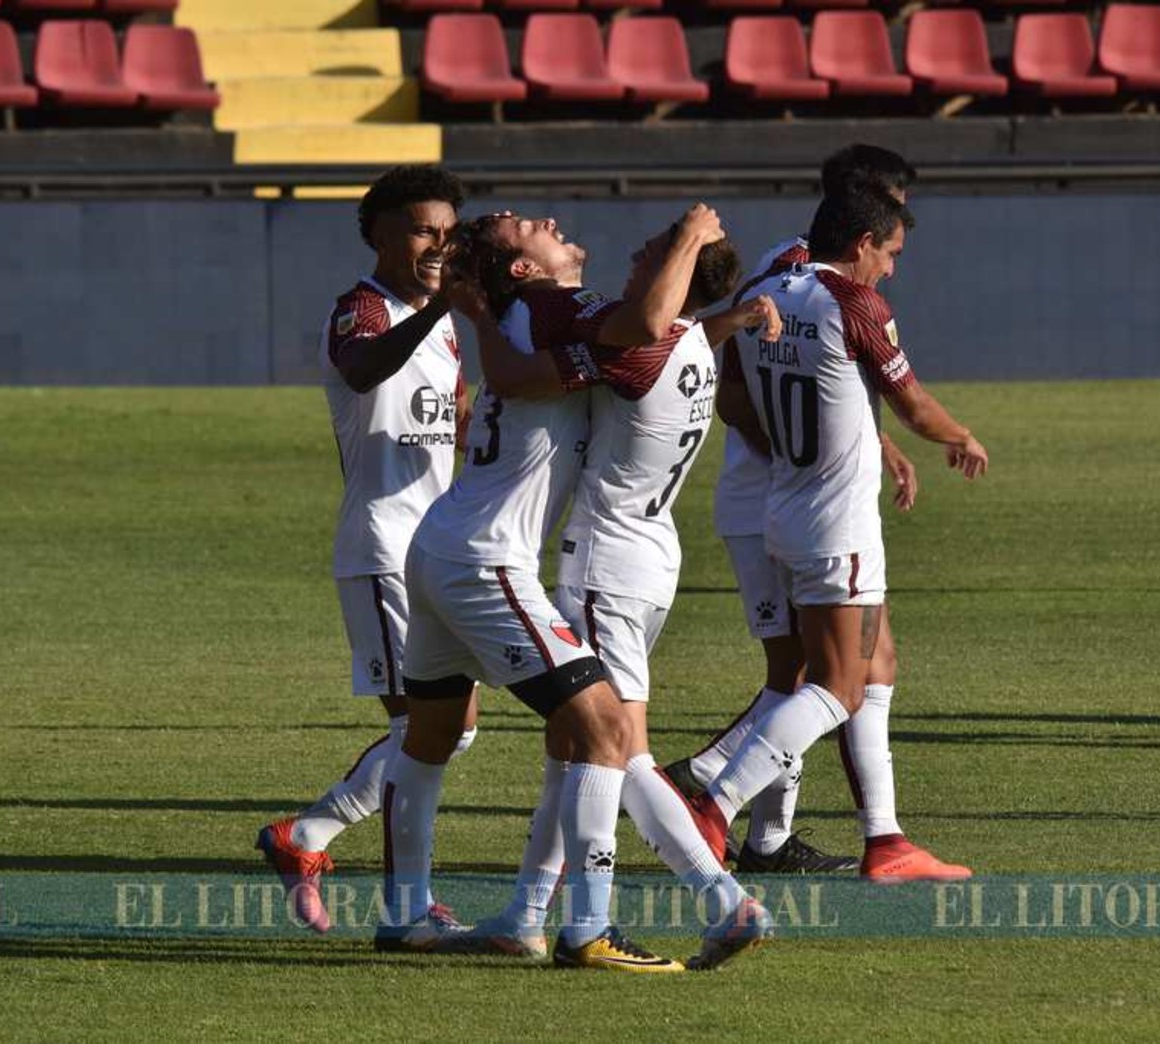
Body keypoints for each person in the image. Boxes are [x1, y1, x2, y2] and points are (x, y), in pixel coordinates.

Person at [378, 207, 724, 971]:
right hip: (485, 561)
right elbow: (646, 323)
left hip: (441, 544)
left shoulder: (528, 311)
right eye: (521, 226)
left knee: (429, 739)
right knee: (605, 732)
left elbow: (604, 350)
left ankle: (404, 913)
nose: (542, 218)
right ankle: (588, 929)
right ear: (526, 269)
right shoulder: (561, 306)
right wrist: (692, 239)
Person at [469, 218, 783, 971]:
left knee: (618, 750)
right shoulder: (689, 347)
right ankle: (524, 912)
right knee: (572, 743)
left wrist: (683, 236)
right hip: (649, 556)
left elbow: (633, 330)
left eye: (647, 257)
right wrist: (726, 317)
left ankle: (718, 899)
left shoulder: (644, 346)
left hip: (606, 561)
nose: (634, 265)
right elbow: (673, 332)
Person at [665, 145, 963, 881]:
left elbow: (753, 387)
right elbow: (899, 399)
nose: (895, 259)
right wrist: (951, 436)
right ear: (861, 222)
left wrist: (861, 444)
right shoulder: (841, 295)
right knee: (821, 682)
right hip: (808, 508)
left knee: (860, 664)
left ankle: (862, 838)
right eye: (890, 239)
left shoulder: (774, 285)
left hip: (786, 507)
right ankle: (708, 793)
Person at [255, 165, 475, 933]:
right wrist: (440, 308)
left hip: (438, 549)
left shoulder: (442, 320)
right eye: (422, 229)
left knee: (455, 726)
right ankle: (404, 903)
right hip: (381, 546)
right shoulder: (360, 309)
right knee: (420, 728)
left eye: (448, 233)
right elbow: (363, 367)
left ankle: (306, 836)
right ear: (378, 231)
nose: (437, 245)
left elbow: (451, 412)